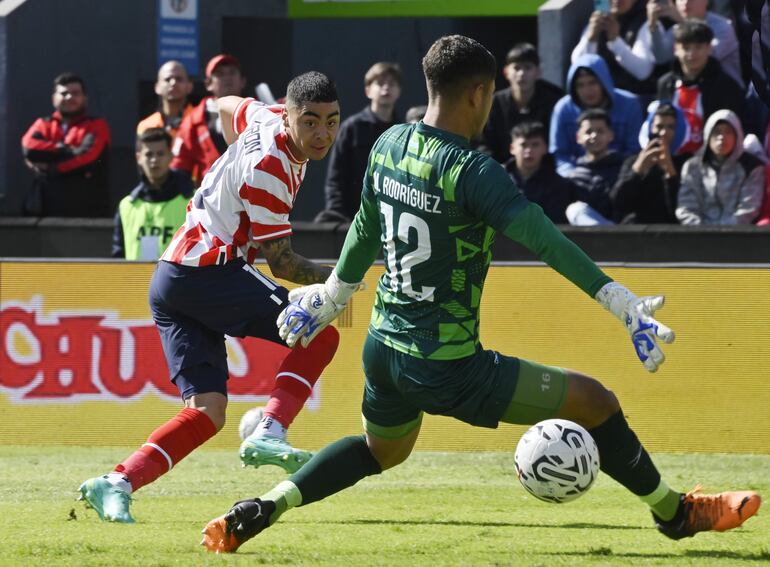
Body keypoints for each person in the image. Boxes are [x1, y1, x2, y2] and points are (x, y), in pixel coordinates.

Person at [200, 35, 761, 554]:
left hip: (384, 351)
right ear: (480, 92)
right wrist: (619, 301)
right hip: (446, 364)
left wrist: (329, 295)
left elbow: (363, 231)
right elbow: (543, 238)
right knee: (596, 402)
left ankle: (264, 505)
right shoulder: (472, 171)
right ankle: (676, 513)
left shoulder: (389, 142)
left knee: (381, 451)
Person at [78, 71, 346, 524]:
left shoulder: (262, 115)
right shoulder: (271, 171)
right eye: (311, 122)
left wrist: (230, 164)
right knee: (320, 336)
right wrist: (342, 282)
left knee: (207, 412)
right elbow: (280, 263)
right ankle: (270, 432)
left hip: (171, 277)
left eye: (332, 121)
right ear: (290, 116)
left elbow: (222, 105)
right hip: (207, 270)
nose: (322, 134)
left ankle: (116, 482)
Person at [315, 62, 402, 223]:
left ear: (399, 91)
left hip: (392, 221)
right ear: (368, 90)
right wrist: (337, 215)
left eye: (392, 83)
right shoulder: (352, 128)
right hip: (353, 220)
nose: (386, 88)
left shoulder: (403, 131)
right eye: (380, 83)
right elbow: (335, 177)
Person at [21, 72, 111, 217]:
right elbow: (29, 148)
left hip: (86, 212)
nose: (69, 97)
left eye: (75, 93)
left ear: (85, 98)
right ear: (53, 99)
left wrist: (51, 167)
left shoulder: (97, 125)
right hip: (45, 211)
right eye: (64, 93)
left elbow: (86, 158)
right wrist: (64, 149)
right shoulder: (43, 123)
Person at [657, 19, 746, 154]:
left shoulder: (727, 87)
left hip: (710, 158)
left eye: (698, 47)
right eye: (686, 48)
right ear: (675, 49)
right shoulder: (665, 84)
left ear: (709, 48)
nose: (692, 54)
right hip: (669, 155)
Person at [550, 53, 643, 175]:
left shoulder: (630, 104)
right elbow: (560, 154)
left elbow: (634, 150)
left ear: (604, 81)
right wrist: (572, 176)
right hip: (577, 177)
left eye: (592, 82)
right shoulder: (563, 109)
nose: (587, 90)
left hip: (619, 175)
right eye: (580, 85)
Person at [112, 128, 193, 260]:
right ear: (138, 158)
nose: (154, 160)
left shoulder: (192, 202)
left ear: (171, 156)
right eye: (149, 154)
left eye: (160, 154)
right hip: (133, 280)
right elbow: (118, 255)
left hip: (177, 280)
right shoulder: (126, 206)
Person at [676, 109, 765, 224]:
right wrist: (703, 232)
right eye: (717, 132)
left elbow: (749, 207)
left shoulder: (752, 167)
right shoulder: (692, 167)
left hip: (738, 236)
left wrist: (723, 232)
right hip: (697, 236)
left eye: (728, 132)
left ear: (737, 135)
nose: (722, 137)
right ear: (708, 135)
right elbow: (686, 207)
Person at [479, 43, 564, 164]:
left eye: (528, 67)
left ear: (538, 72)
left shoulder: (554, 102)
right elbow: (483, 144)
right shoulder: (494, 103)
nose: (521, 74)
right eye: (517, 68)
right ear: (506, 72)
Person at [171, 53, 247, 184]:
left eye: (232, 72)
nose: (227, 78)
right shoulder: (193, 120)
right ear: (208, 84)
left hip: (250, 194)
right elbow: (180, 164)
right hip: (211, 198)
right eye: (220, 74)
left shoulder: (258, 113)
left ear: (242, 81)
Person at [611, 101, 690, 223]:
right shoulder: (633, 161)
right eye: (659, 127)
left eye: (670, 127)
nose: (663, 133)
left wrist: (670, 173)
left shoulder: (687, 163)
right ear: (650, 127)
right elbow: (619, 203)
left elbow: (682, 209)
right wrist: (637, 170)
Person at [644, 0, 744, 88]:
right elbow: (661, 58)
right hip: (690, 91)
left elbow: (708, 56)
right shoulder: (677, 28)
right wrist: (653, 26)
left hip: (726, 93)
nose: (686, 3)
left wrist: (683, 22)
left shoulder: (724, 27)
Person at [571, 0, 657, 95]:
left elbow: (643, 71)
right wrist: (591, 39)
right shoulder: (597, 21)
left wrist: (615, 41)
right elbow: (578, 64)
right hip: (599, 95)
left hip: (634, 94)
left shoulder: (645, 22)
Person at [504, 121, 575, 224]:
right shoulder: (496, 179)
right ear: (512, 148)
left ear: (545, 148)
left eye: (535, 145)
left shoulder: (558, 184)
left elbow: (555, 224)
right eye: (523, 145)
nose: (529, 150)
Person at [565, 109, 626, 225]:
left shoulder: (624, 169)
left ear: (611, 135)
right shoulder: (574, 177)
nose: (594, 136)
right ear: (578, 137)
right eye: (588, 132)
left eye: (600, 131)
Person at [137, 60, 194, 139]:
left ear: (189, 87)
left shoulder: (201, 121)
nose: (173, 83)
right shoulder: (146, 126)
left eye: (179, 79)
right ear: (157, 87)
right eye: (167, 79)